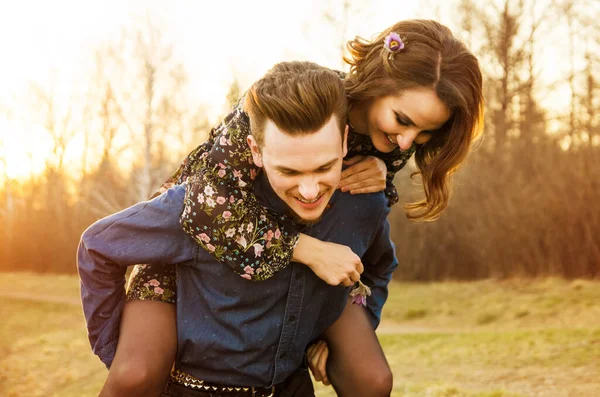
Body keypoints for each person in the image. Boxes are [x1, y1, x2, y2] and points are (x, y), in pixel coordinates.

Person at [81, 18, 484, 397]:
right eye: (403, 120)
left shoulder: (390, 140)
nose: (407, 142)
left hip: (297, 265)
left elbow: (367, 225)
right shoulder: (293, 104)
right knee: (135, 372)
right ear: (380, 81)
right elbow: (209, 208)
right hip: (199, 231)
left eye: (426, 133)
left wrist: (324, 327)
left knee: (369, 372)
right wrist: (305, 249)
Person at [79, 61, 399, 397]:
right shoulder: (203, 207)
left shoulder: (363, 205)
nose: (309, 190)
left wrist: (333, 330)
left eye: (324, 167)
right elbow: (97, 246)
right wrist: (116, 351)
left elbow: (377, 269)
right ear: (255, 151)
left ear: (345, 143)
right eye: (289, 172)